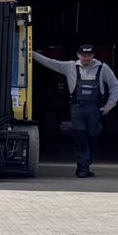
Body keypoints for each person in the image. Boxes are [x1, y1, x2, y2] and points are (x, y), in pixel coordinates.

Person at [35, 43, 118, 177]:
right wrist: (29, 52)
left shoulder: (103, 68)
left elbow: (115, 85)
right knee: (80, 136)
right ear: (78, 55)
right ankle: (82, 169)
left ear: (93, 56)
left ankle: (86, 163)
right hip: (77, 108)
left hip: (95, 109)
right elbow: (49, 62)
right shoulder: (70, 66)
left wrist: (110, 104)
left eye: (89, 56)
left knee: (92, 136)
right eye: (83, 56)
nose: (86, 59)